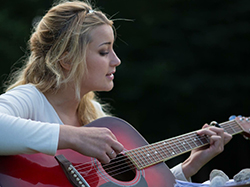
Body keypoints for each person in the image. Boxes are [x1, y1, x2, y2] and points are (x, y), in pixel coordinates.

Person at [0, 0, 232, 183]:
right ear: (67, 60)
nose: (116, 60)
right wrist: (73, 136)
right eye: (104, 51)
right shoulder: (30, 98)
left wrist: (188, 167)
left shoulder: (95, 115)